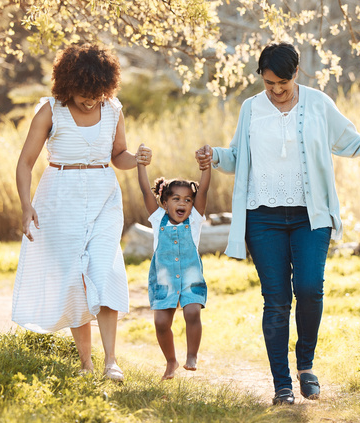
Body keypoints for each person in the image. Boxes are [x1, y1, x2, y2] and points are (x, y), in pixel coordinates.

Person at [196, 42, 360, 405]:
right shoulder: (251, 109)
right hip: (263, 217)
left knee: (308, 288)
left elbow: (349, 141)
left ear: (296, 75)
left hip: (311, 215)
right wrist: (214, 156)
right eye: (269, 83)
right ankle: (282, 385)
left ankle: (306, 364)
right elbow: (238, 157)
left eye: (282, 85)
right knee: (276, 300)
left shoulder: (318, 104)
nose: (275, 91)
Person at [12, 43, 136, 382]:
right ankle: (86, 363)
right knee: (74, 279)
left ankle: (111, 361)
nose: (90, 101)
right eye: (83, 94)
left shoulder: (112, 110)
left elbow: (119, 155)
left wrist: (136, 159)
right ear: (67, 85)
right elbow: (24, 164)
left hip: (103, 199)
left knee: (104, 270)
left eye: (97, 94)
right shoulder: (50, 111)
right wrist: (27, 206)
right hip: (59, 198)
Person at [135, 143, 211, 380]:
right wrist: (141, 166)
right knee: (160, 322)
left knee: (191, 314)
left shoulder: (196, 220)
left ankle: (192, 355)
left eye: (188, 200)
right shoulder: (158, 220)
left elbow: (205, 190)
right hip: (164, 279)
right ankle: (171, 362)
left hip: (190, 278)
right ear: (165, 203)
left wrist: (206, 167)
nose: (182, 203)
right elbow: (146, 193)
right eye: (176, 199)